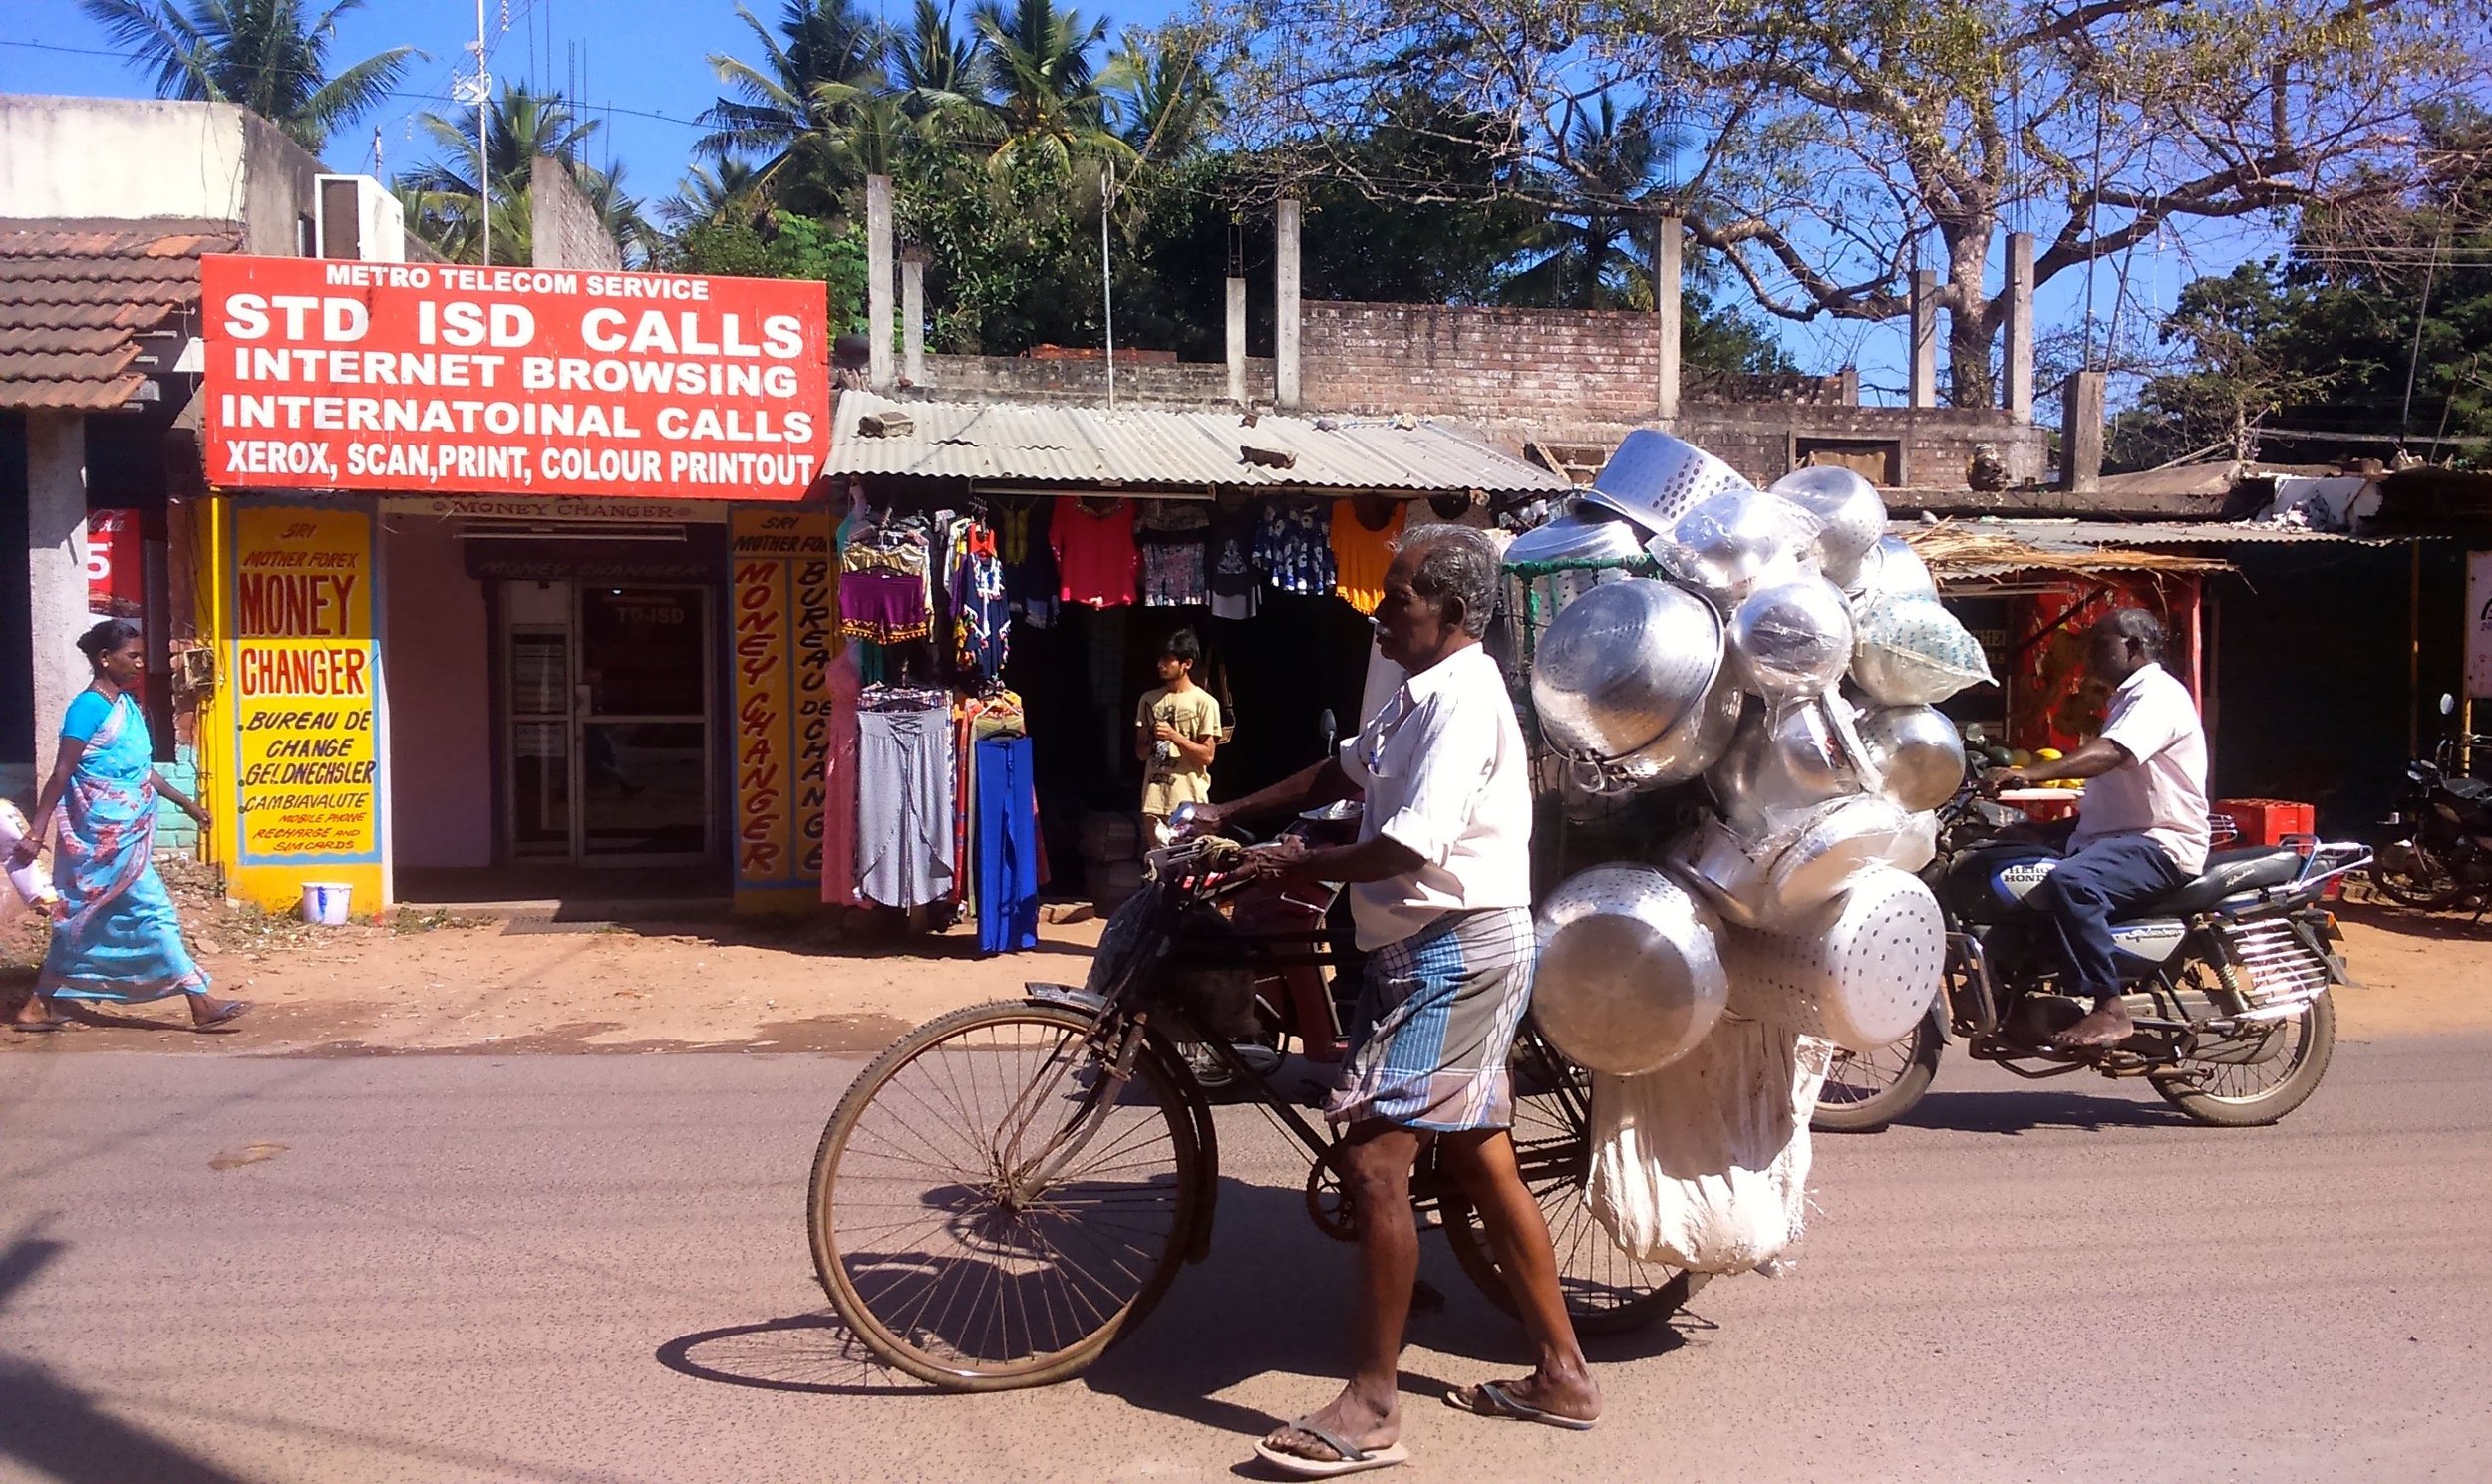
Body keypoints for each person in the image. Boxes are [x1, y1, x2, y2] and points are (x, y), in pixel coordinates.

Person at [1192, 527, 1597, 1478]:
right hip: (1417, 948)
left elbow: (1409, 846)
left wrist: (1295, 857)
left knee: (1378, 1160)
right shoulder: (1416, 696)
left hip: (1459, 950)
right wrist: (1231, 812)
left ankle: (1373, 1405)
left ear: (1453, 616)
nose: (1381, 609)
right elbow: (1341, 772)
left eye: (1401, 596)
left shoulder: (1464, 704)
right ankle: (1564, 1374)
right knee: (1482, 1160)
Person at [6, 619, 248, 1033]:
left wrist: (188, 805)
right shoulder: (87, 708)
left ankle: (38, 1005)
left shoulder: (125, 707)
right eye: (131, 656)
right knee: (153, 911)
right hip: (100, 840)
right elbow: (62, 772)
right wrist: (35, 832)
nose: (139, 663)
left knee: (81, 920)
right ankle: (200, 1001)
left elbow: (140, 772)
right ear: (105, 658)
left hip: (126, 836)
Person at [1993, 608, 2209, 1049]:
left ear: (2131, 646)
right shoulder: (2125, 699)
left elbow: (2113, 754)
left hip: (2160, 843)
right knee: (2014, 856)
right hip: (2116, 837)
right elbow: (2115, 797)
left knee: (2073, 883)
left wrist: (2030, 776)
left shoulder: (2158, 695)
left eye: (2099, 644)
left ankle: (2110, 1006)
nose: (2089, 655)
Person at [1134, 628, 1221, 842]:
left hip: (1189, 803)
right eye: (1160, 659)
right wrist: (1152, 738)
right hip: (1154, 800)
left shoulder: (1205, 702)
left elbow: (1208, 756)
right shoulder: (1149, 699)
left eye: (1168, 660)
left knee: (1187, 865)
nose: (1161, 665)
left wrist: (1176, 736)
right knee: (1156, 864)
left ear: (1187, 664)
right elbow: (1140, 753)